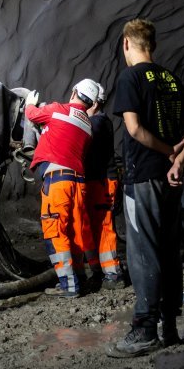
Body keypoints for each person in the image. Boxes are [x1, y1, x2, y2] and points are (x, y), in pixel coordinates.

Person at [106, 18, 184, 358]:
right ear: (153, 45)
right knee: (168, 249)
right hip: (171, 179)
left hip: (143, 176)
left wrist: (165, 151)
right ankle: (170, 328)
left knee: (143, 250)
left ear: (127, 44)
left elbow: (133, 129)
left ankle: (144, 330)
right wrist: (178, 160)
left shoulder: (130, 78)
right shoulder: (171, 79)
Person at [24, 78, 101, 298]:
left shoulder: (57, 110)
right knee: (75, 232)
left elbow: (31, 115)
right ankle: (80, 279)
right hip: (78, 183)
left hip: (58, 182)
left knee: (56, 231)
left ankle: (69, 286)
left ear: (75, 91)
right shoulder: (87, 126)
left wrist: (30, 102)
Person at [84, 84, 125, 289]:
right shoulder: (94, 121)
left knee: (104, 226)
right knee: (91, 226)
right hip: (93, 181)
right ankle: (98, 272)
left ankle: (113, 273)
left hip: (102, 181)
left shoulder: (98, 123)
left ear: (93, 102)